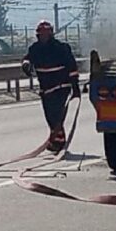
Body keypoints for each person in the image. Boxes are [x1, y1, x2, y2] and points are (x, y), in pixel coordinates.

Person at [25, 20, 80, 152]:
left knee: (56, 115)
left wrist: (75, 87)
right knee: (50, 116)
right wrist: (25, 65)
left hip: (61, 87)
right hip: (46, 89)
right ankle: (56, 139)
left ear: (51, 35)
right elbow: (28, 58)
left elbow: (72, 68)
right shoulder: (35, 49)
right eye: (41, 35)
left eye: (45, 35)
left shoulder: (61, 48)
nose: (43, 37)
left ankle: (58, 142)